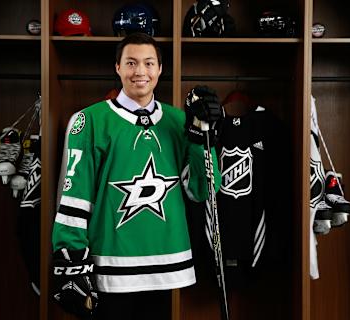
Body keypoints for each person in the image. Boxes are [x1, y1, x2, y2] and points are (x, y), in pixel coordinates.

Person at [51, 32, 223, 320]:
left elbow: (203, 190)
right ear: (117, 67)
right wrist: (71, 258)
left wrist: (201, 139)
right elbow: (75, 196)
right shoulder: (89, 120)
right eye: (131, 63)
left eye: (148, 63)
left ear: (160, 69)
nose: (140, 72)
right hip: (111, 264)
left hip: (167, 263)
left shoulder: (178, 120)